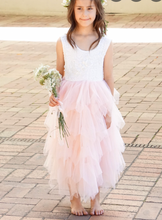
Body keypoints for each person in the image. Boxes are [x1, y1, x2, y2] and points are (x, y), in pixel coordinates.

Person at [44, 0, 126, 216]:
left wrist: (109, 108)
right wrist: (53, 95)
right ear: (71, 10)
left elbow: (108, 78)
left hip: (96, 102)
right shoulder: (64, 41)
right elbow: (59, 74)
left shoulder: (105, 42)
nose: (84, 13)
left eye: (89, 8)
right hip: (70, 102)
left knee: (96, 149)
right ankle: (74, 198)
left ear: (97, 10)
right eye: (79, 8)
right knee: (71, 149)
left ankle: (95, 198)